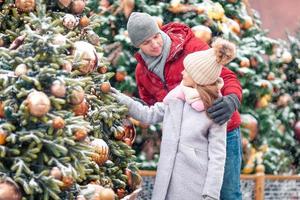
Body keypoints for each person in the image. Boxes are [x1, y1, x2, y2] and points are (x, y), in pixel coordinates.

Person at [127, 12, 242, 200]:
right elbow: (152, 104)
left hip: (223, 127)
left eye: (156, 36)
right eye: (147, 43)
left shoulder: (190, 47)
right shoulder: (142, 71)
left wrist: (231, 100)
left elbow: (227, 75)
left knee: (228, 192)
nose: (155, 44)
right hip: (188, 142)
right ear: (138, 46)